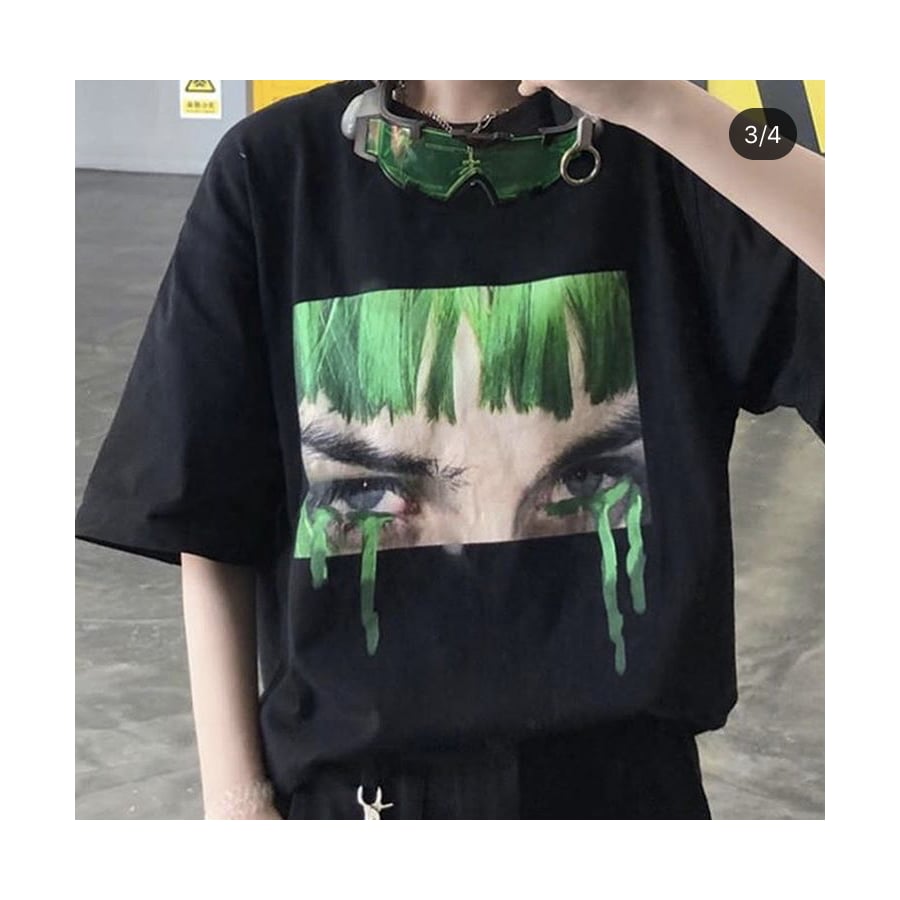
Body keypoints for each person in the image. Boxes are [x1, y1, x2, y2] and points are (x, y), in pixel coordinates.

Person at [75, 80, 824, 819]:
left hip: (626, 794)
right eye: (368, 491)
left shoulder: (671, 160)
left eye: (587, 480)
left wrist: (660, 104)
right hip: (359, 801)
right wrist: (235, 803)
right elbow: (213, 508)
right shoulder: (273, 169)